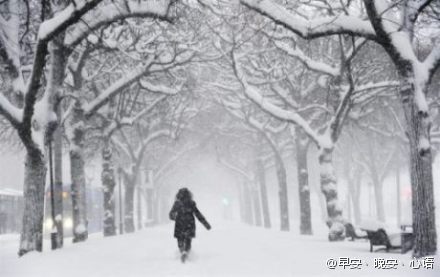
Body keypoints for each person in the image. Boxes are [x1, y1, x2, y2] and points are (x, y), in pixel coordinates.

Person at [169, 188, 211, 262]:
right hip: (189, 223)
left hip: (179, 224)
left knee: (180, 240)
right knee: (188, 240)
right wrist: (206, 224)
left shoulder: (177, 203)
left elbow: (171, 214)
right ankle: (186, 252)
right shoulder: (191, 203)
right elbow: (198, 214)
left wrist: (174, 217)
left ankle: (182, 251)